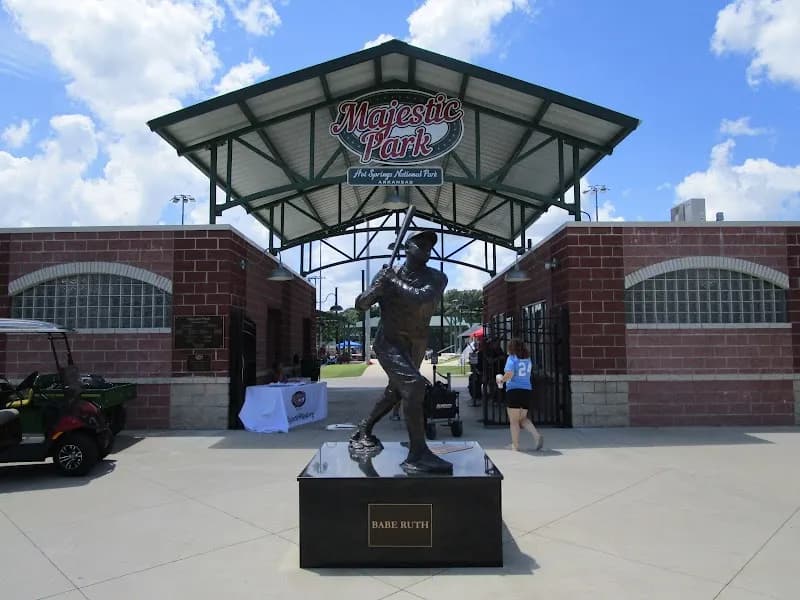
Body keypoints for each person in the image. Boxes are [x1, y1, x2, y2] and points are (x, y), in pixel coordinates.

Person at [349, 229, 452, 474]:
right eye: (420, 243)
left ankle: (364, 428)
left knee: (397, 391)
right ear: (406, 248)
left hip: (416, 343)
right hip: (389, 342)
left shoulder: (437, 278)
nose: (426, 247)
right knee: (415, 387)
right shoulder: (387, 274)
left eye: (429, 244)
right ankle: (418, 454)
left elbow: (421, 298)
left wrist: (392, 282)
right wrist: (377, 289)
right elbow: (361, 304)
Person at [496, 338, 543, 452]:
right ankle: (536, 435)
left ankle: (515, 446)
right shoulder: (527, 359)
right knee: (522, 419)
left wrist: (501, 380)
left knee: (514, 421)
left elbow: (510, 374)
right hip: (526, 390)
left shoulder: (512, 358)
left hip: (514, 390)